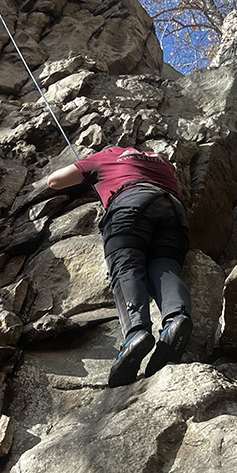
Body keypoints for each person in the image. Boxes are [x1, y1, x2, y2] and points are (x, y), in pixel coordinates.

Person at [46, 146, 193, 388]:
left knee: (126, 266)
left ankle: (136, 332)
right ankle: (176, 319)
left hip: (131, 204)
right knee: (165, 266)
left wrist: (90, 174)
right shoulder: (162, 161)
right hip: (173, 210)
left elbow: (55, 181)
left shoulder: (108, 155)